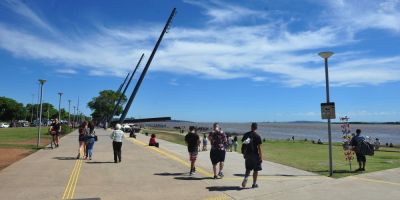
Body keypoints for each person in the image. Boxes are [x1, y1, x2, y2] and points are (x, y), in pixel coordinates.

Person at [241, 123, 262, 188]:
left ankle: (246, 178)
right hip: (255, 155)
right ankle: (254, 184)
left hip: (247, 155)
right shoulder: (257, 136)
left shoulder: (246, 135)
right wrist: (261, 157)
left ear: (251, 127)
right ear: (256, 127)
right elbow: (259, 148)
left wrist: (244, 154)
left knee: (248, 169)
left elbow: (243, 145)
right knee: (256, 170)